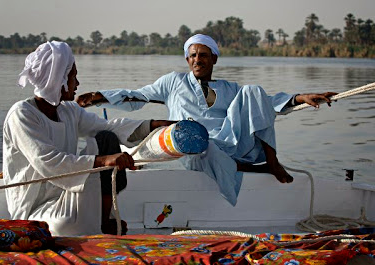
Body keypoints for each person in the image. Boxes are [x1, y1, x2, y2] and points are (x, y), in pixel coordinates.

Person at [76, 34, 336, 206]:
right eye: (192, 56)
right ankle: (257, 170)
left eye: (202, 55)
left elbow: (265, 103)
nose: (197, 60)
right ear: (187, 59)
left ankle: (272, 162)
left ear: (214, 58)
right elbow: (138, 95)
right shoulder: (173, 82)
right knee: (202, 142)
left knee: (253, 90)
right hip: (195, 146)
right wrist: (103, 97)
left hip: (231, 142)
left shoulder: (229, 87)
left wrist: (301, 97)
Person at [3, 41, 173, 236]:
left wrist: (156, 125)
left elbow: (110, 127)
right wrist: (103, 160)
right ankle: (101, 223)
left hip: (67, 196)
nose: (78, 84)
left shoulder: (68, 110)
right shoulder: (22, 114)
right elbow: (49, 162)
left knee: (106, 138)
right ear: (58, 79)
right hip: (34, 210)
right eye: (73, 76)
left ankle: (105, 219)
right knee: (65, 224)